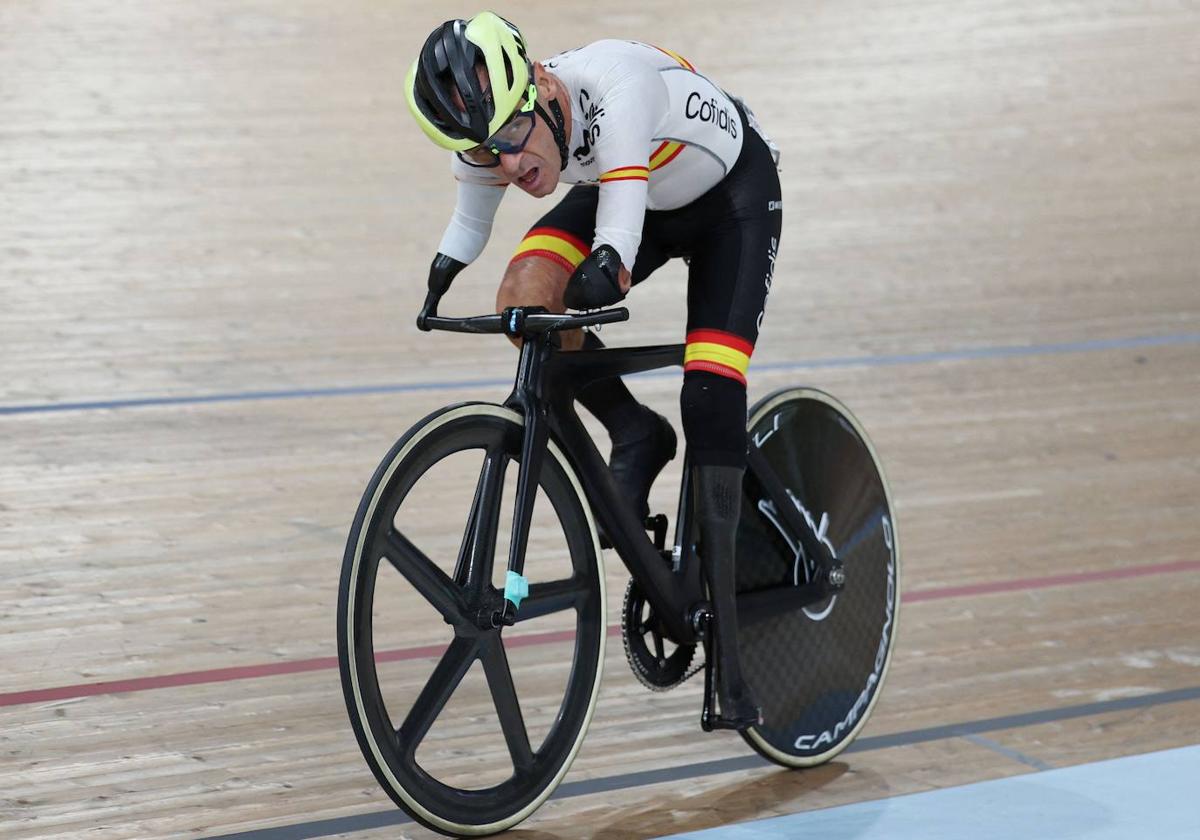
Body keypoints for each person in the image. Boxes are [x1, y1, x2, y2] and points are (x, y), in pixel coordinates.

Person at [406, 11, 781, 729]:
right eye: (488, 153)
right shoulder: (499, 139)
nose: (510, 167)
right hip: (628, 182)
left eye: (514, 137)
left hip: (728, 200)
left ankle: (731, 651)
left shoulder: (617, 86)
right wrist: (437, 281)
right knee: (525, 299)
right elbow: (471, 223)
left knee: (708, 390)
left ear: (543, 84)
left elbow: (618, 239)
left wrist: (605, 273)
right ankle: (634, 431)